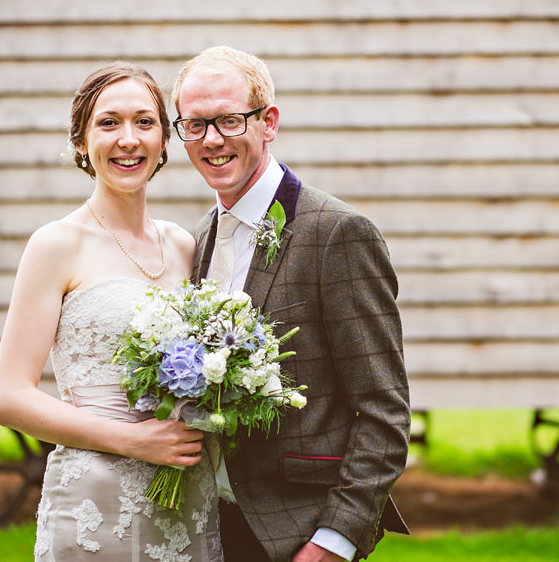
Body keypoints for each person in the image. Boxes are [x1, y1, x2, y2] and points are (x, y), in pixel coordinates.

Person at [171, 46, 411, 562]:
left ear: (268, 122)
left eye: (229, 120)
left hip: (295, 537)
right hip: (205, 529)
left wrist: (334, 541)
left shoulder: (337, 233)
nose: (212, 140)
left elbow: (383, 411)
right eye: (194, 125)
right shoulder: (198, 239)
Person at [0, 61, 223, 561]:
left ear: (165, 141)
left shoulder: (185, 244)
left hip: (187, 497)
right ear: (81, 142)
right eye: (108, 122)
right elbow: (10, 397)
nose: (128, 138)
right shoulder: (55, 244)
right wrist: (134, 442)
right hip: (93, 500)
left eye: (145, 122)